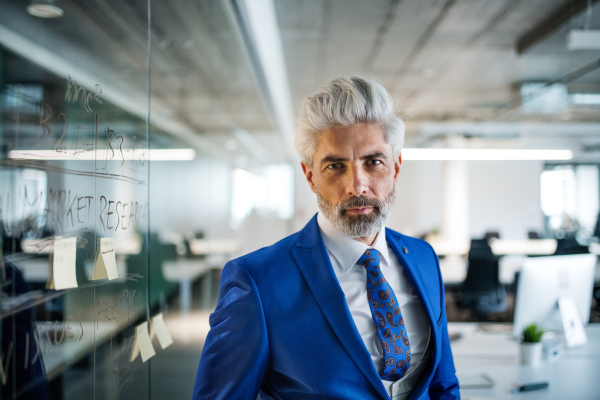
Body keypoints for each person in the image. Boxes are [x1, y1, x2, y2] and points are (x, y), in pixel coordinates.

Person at [193, 76, 460, 399]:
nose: (357, 185)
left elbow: (442, 386)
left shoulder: (423, 257)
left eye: (373, 162)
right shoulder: (258, 281)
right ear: (310, 176)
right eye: (336, 166)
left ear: (395, 168)